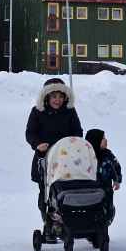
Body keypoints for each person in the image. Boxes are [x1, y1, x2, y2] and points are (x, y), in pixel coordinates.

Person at [25, 78, 83, 238]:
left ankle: (69, 221)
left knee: (67, 189)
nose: (57, 100)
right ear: (46, 98)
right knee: (46, 193)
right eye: (53, 96)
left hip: (67, 158)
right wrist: (37, 144)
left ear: (65, 98)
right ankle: (48, 224)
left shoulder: (70, 112)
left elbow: (78, 131)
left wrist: (74, 143)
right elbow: (30, 133)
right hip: (44, 158)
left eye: (60, 96)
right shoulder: (37, 112)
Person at [85, 129, 122, 225]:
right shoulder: (85, 155)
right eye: (103, 138)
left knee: (107, 210)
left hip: (106, 188)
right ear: (95, 140)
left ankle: (104, 226)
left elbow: (116, 167)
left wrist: (117, 180)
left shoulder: (108, 155)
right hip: (89, 189)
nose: (106, 140)